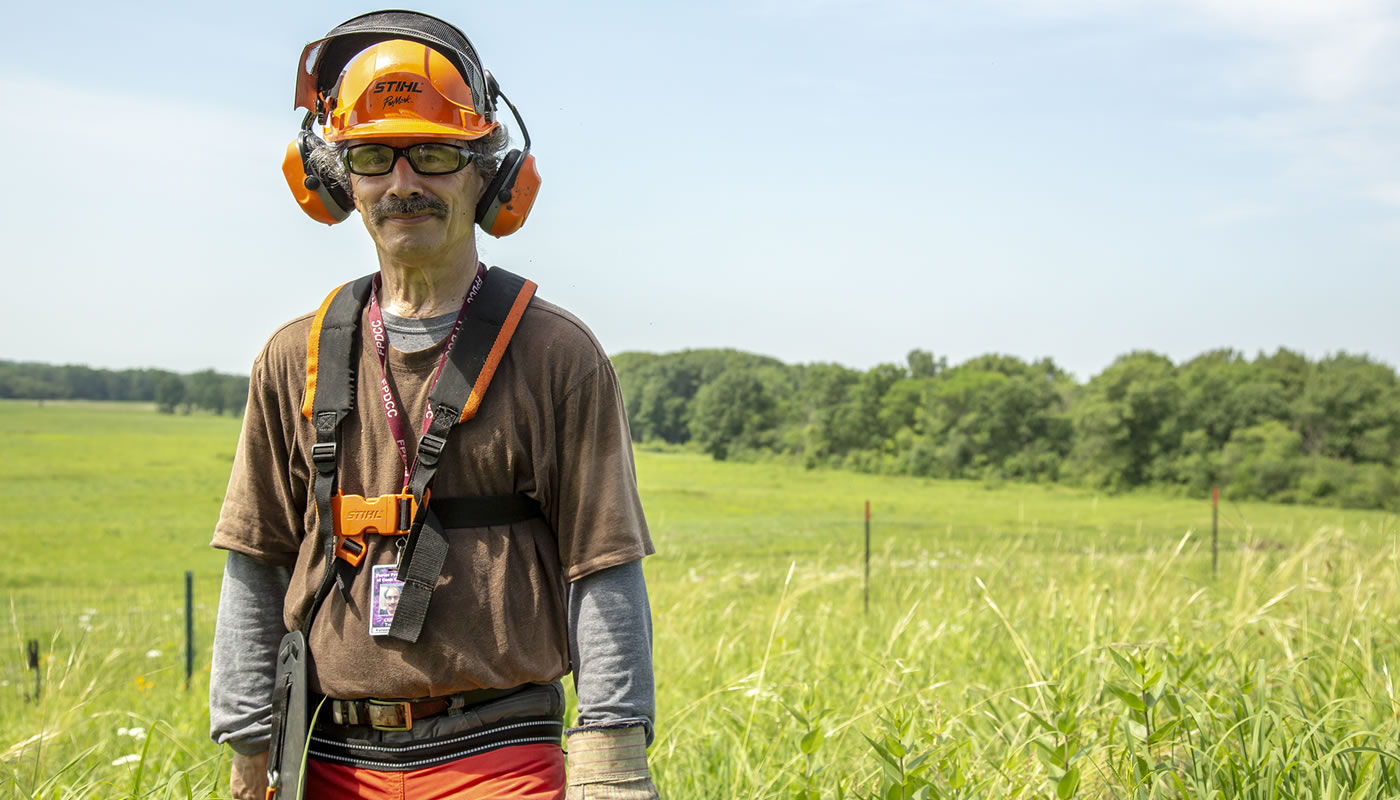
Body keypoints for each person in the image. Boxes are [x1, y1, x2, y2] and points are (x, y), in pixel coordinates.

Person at [208, 11, 658, 799]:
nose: (402, 183)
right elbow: (257, 563)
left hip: (503, 759)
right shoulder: (293, 358)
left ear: (489, 174)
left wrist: (612, 764)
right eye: (374, 157)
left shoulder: (557, 355)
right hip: (326, 757)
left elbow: (603, 566)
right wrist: (252, 753)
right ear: (335, 179)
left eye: (436, 154)